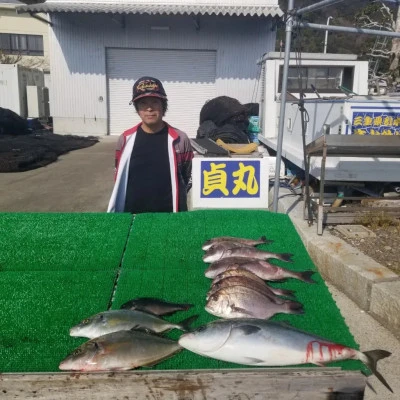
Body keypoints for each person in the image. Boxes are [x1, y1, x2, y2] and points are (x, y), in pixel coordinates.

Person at [107, 76, 193, 213]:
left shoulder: (180, 139)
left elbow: (188, 177)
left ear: (163, 105)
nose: (149, 108)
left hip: (169, 215)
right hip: (133, 214)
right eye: (143, 103)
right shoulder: (125, 139)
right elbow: (119, 174)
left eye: (155, 102)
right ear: (137, 108)